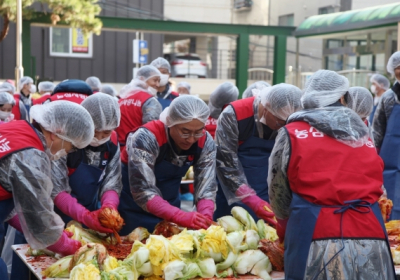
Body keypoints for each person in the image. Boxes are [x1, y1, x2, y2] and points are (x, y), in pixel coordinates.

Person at [268, 70, 395, 279]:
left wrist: (283, 224)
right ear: (343, 97)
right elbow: (377, 181)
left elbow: (278, 190)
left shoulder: (292, 132)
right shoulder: (362, 130)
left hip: (313, 234)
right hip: (369, 233)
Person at [0, 101, 94, 279]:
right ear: (57, 133)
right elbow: (40, 220)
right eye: (71, 147)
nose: (67, 153)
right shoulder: (31, 157)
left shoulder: (19, 128)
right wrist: (71, 247)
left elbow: (16, 203)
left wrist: (57, 235)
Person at [118, 95, 217, 234]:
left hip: (170, 205)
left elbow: (206, 187)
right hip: (133, 209)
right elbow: (143, 191)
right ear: (170, 122)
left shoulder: (205, 141)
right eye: (185, 132)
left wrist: (205, 217)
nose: (191, 139)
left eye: (198, 132)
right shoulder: (146, 137)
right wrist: (180, 215)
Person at [214, 84, 302, 223]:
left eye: (287, 123)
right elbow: (225, 164)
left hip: (269, 191)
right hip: (232, 191)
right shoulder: (234, 115)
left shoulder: (289, 122)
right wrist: (251, 199)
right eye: (279, 121)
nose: (283, 126)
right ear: (266, 106)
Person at [51, 93, 122, 230]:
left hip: (90, 212)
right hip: (55, 217)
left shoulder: (111, 142)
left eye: (106, 133)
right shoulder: (67, 138)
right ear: (85, 122)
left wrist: (109, 207)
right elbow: (57, 189)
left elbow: (112, 181)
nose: (99, 137)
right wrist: (85, 216)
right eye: (94, 132)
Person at [372, 51, 400, 219]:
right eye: (398, 68)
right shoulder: (389, 99)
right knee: (392, 206)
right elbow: (377, 131)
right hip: (392, 165)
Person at [115, 65, 162, 150]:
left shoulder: (121, 98)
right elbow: (151, 131)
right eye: (155, 80)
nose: (158, 85)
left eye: (159, 81)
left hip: (118, 149)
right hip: (138, 150)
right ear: (142, 79)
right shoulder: (150, 101)